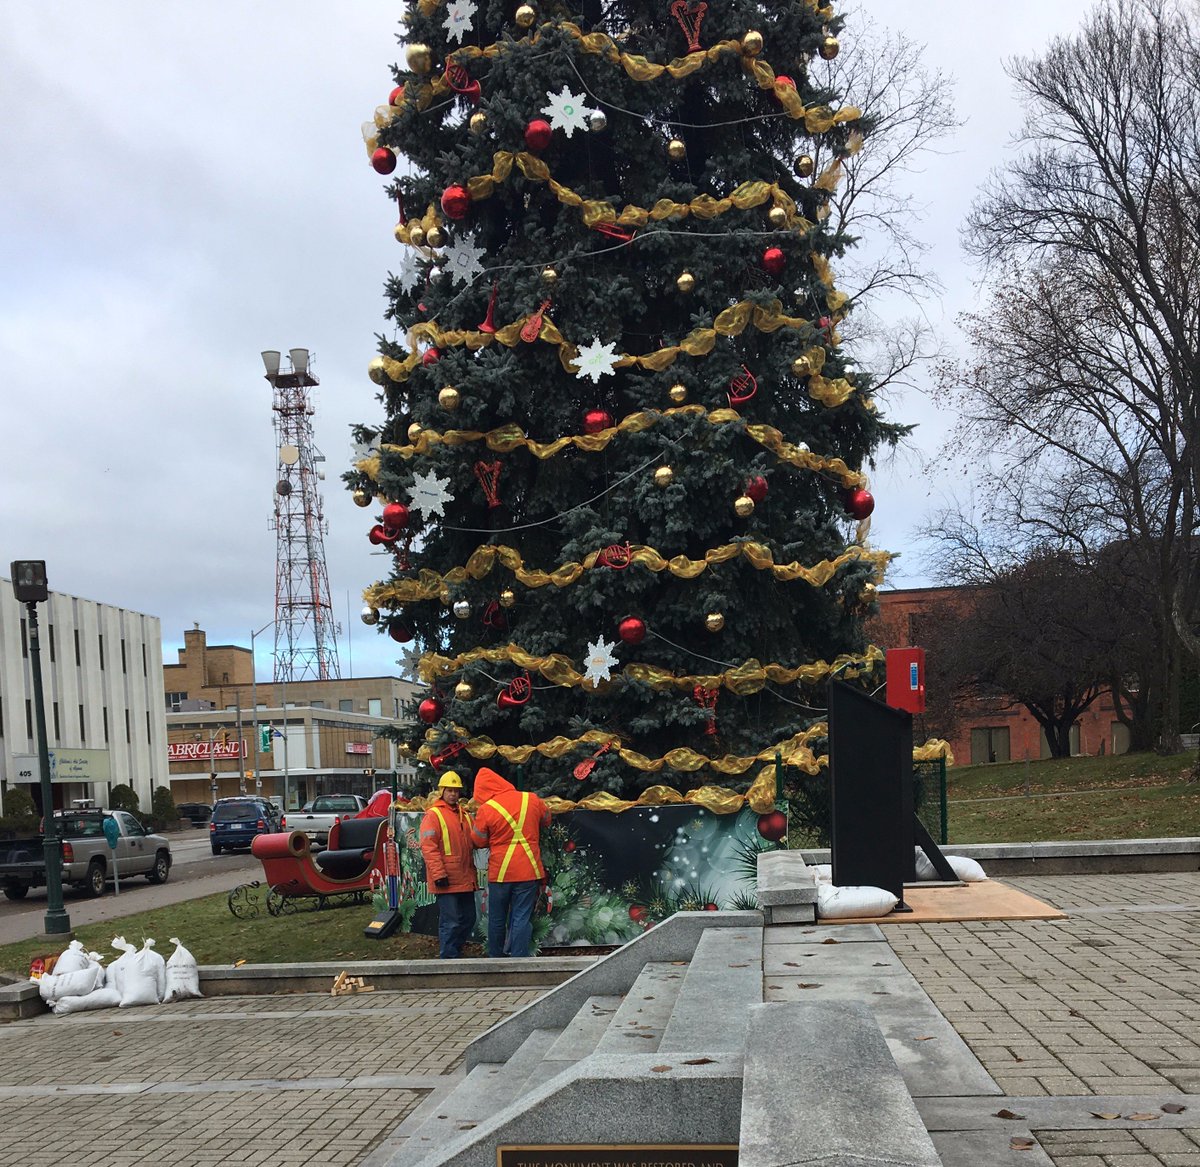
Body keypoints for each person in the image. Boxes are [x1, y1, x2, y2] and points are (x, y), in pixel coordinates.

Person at [470, 766, 551, 958]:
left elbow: (478, 840)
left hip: (500, 873)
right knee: (521, 917)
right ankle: (519, 959)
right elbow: (547, 819)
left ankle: (495, 958)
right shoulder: (530, 799)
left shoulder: (487, 809)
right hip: (528, 870)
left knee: (497, 919)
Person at [418, 772, 477, 959]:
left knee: (468, 919)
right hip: (446, 878)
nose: (453, 794)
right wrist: (438, 874)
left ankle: (455, 952)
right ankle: (449, 958)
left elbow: (475, 840)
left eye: (456, 791)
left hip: (465, 877)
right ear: (442, 791)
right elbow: (428, 846)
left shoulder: (464, 814)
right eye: (449, 790)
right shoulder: (433, 815)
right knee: (451, 922)